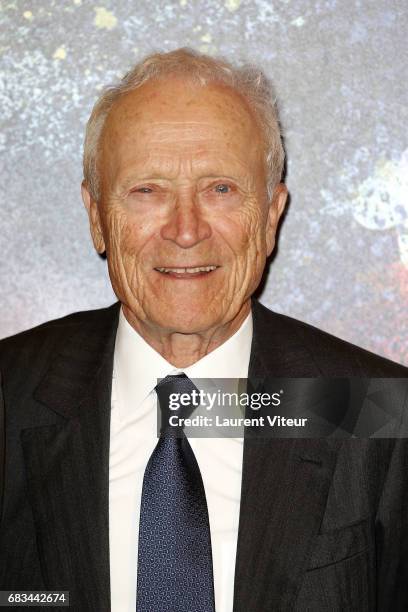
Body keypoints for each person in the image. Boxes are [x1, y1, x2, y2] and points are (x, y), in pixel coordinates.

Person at [0, 47, 407, 612]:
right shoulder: (9, 396)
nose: (186, 231)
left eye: (220, 189)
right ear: (96, 217)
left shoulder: (376, 410)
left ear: (270, 217)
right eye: (148, 190)